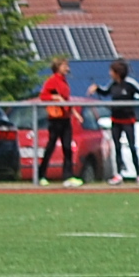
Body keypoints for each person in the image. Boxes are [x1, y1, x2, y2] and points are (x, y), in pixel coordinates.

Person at [91, 60, 139, 186]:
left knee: (132, 147)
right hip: (116, 121)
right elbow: (105, 92)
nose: (110, 73)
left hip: (128, 121)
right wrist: (97, 89)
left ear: (118, 72)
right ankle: (118, 175)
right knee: (117, 147)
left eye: (112, 71)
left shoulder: (130, 84)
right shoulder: (113, 84)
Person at [34, 57, 80, 186]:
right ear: (58, 67)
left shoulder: (64, 81)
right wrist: (54, 97)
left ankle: (68, 176)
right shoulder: (52, 81)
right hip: (55, 119)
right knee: (51, 146)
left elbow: (66, 100)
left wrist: (75, 113)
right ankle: (41, 175)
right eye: (64, 66)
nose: (67, 68)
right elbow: (43, 96)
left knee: (67, 147)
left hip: (65, 118)